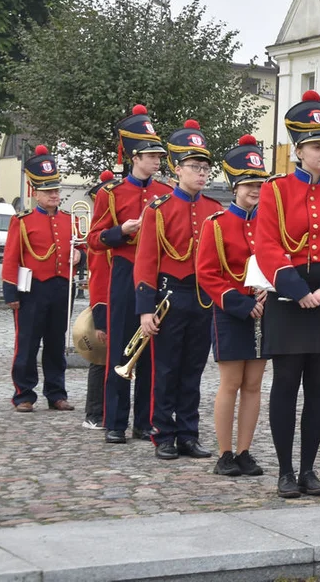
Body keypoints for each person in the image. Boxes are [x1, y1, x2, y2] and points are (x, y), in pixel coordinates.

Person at [254, 90, 320, 498]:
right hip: (289, 296)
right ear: (298, 150)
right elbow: (266, 244)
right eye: (317, 146)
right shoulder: (275, 191)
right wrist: (298, 290)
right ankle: (285, 471)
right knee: (286, 382)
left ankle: (309, 468)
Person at [134, 120, 223, 461]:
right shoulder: (159, 209)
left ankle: (188, 433)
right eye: (194, 167)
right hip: (170, 297)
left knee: (194, 369)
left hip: (202, 297)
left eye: (205, 168)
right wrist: (145, 309)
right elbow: (146, 261)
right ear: (176, 168)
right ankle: (163, 433)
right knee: (166, 369)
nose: (201, 174)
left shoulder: (214, 210)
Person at [89, 105, 173, 443]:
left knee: (152, 351)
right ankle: (114, 422)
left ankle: (145, 421)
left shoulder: (164, 194)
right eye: (151, 156)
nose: (157, 161)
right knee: (122, 349)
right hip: (124, 271)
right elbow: (95, 239)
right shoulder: (112, 193)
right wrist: (121, 230)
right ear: (135, 157)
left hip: (155, 272)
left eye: (158, 156)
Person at [196, 134, 270, 476]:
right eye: (249, 184)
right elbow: (207, 273)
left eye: (259, 184)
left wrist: (270, 291)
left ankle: (245, 451)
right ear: (235, 186)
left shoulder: (270, 226)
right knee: (230, 383)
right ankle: (224, 453)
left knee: (254, 385)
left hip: (264, 310)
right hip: (231, 313)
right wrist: (240, 304)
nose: (255, 190)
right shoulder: (218, 224)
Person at [3, 145, 79, 413]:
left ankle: (56, 393)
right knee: (27, 343)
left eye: (56, 191)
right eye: (48, 192)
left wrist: (79, 256)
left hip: (61, 287)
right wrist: (10, 293)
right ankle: (23, 393)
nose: (54, 195)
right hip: (32, 289)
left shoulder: (70, 220)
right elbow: (12, 257)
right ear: (36, 193)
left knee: (56, 344)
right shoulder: (22, 221)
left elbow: (80, 248)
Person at [83, 170, 116, 430]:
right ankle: (95, 412)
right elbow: (99, 279)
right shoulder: (101, 241)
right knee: (101, 358)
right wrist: (100, 317)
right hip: (105, 302)